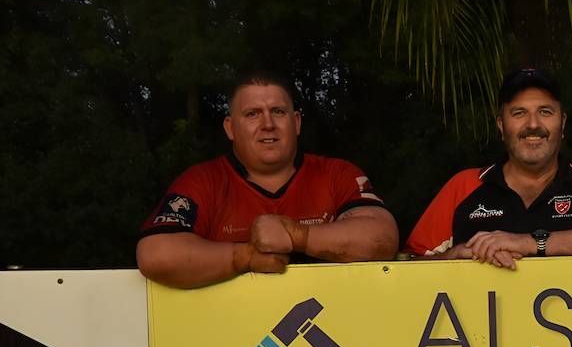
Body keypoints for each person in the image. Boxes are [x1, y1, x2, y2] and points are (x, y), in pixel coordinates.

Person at [137, 70, 399, 288]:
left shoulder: (337, 173)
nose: (267, 124)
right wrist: (244, 256)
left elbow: (383, 237)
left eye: (278, 112)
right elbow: (155, 255)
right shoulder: (203, 181)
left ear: (296, 122)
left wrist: (299, 236)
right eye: (252, 114)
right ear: (230, 128)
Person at [406, 68, 572, 269]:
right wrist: (454, 256)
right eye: (519, 113)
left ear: (562, 123)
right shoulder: (465, 185)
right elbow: (405, 266)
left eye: (545, 112)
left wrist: (531, 243)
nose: (533, 124)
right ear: (501, 125)